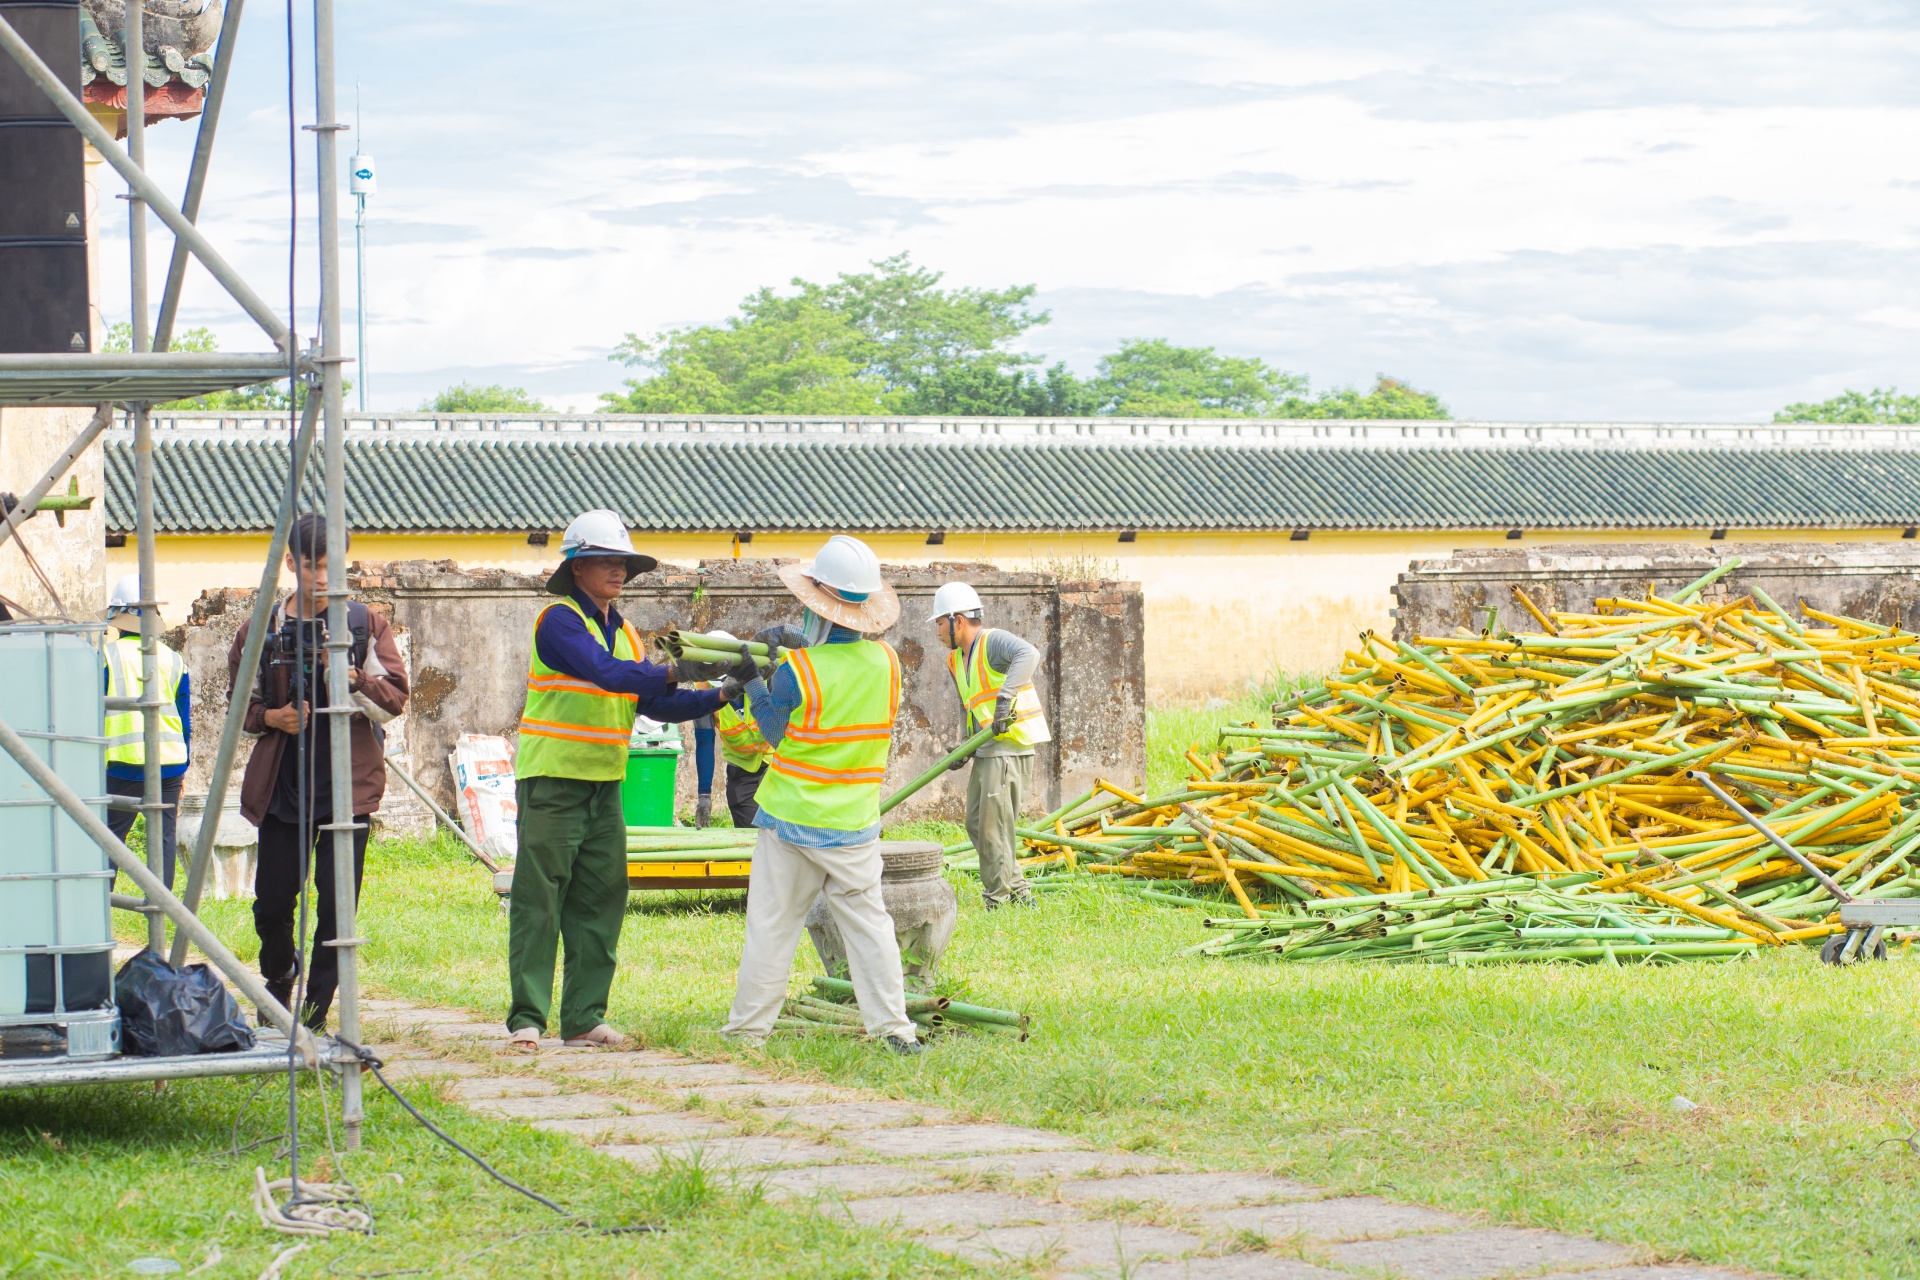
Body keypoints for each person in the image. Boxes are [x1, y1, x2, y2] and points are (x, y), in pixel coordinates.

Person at [508, 510, 741, 1052]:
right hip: (552, 779)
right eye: (607, 561)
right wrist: (686, 668)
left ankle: (585, 1021)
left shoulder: (628, 631)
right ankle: (526, 1021)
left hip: (603, 783)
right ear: (578, 568)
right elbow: (609, 676)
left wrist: (721, 694)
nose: (619, 570)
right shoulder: (559, 621)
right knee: (539, 900)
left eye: (623, 562)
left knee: (600, 899)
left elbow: (653, 703)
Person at [722, 535, 921, 1054]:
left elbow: (773, 732)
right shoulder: (889, 664)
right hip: (853, 821)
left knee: (772, 926)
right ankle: (894, 1030)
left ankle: (747, 1033)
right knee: (870, 927)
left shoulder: (799, 670)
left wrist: (751, 683)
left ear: (818, 606)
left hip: (790, 819)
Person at [231, 514, 409, 1031]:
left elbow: (395, 698)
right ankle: (279, 978)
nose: (327, 580)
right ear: (291, 563)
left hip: (347, 786)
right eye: (314, 568)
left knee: (336, 910)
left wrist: (353, 678)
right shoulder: (259, 627)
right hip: (283, 786)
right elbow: (238, 704)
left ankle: (313, 1015)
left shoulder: (362, 624)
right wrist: (272, 718)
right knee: (271, 903)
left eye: (337, 569)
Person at [930, 581, 1051, 910]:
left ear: (958, 621)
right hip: (986, 748)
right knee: (975, 822)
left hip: (1009, 746)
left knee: (993, 827)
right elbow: (967, 707)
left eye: (940, 622)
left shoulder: (992, 641)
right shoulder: (956, 660)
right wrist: (964, 746)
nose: (937, 630)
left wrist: (1004, 699)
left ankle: (996, 901)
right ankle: (1020, 892)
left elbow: (1029, 654)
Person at [101, 573, 189, 889]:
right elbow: (184, 721)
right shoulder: (174, 660)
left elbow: (94, 714)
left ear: (118, 616)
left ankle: (97, 922)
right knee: (163, 841)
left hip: (123, 765)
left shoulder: (106, 657)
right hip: (170, 766)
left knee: (107, 843)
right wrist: (184, 767)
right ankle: (158, 926)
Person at [691, 631, 772, 828]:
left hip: (778, 764)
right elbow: (704, 741)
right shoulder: (702, 688)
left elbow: (793, 724)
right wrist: (704, 795)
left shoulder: (768, 675)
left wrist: (779, 769)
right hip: (742, 773)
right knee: (751, 842)